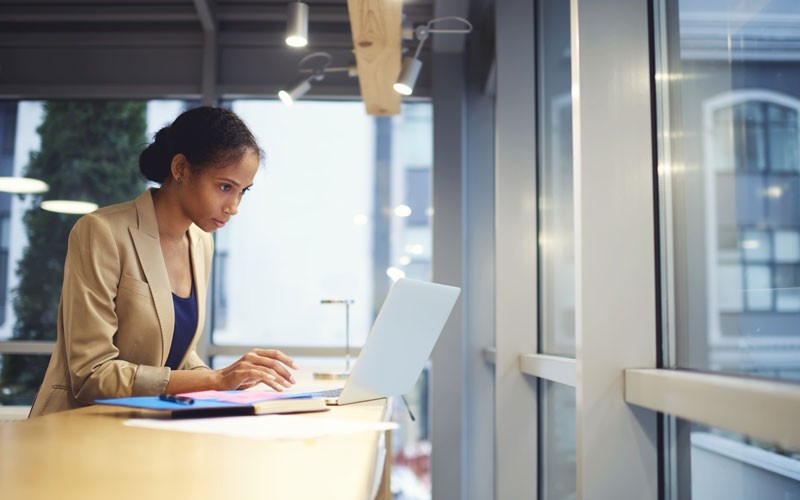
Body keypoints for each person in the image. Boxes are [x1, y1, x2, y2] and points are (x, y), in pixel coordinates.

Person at [29, 106, 297, 417]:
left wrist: (233, 382)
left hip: (147, 428)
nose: (234, 206)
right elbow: (91, 375)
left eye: (243, 191)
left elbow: (175, 358)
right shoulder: (102, 231)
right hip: (80, 428)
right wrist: (216, 379)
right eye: (225, 187)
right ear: (181, 168)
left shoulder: (201, 243)